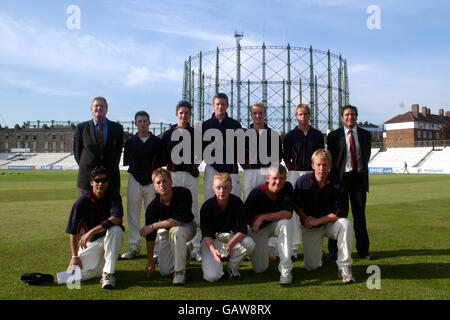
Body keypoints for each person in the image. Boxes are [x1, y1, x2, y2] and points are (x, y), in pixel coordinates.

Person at [293, 149, 354, 283]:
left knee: (345, 224)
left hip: (330, 224)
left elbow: (341, 212)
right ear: (312, 165)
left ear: (330, 165)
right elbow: (296, 205)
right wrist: (305, 218)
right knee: (311, 266)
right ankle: (319, 253)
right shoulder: (302, 182)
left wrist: (318, 220)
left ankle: (345, 267)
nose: (322, 168)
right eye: (319, 164)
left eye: (325, 165)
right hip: (310, 226)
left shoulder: (339, 184)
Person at [65, 166, 125, 289]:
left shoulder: (114, 196)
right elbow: (73, 231)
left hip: (111, 238)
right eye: (97, 181)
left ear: (108, 182)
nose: (100, 184)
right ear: (91, 182)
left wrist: (91, 232)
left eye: (104, 180)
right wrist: (74, 257)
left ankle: (108, 274)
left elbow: (117, 219)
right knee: (74, 277)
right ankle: (105, 265)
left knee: (115, 229)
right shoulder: (82, 202)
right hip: (93, 243)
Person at [326, 105, 373, 260]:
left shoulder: (365, 135)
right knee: (337, 216)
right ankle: (334, 250)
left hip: (358, 179)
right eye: (346, 115)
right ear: (342, 117)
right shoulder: (333, 136)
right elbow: (331, 159)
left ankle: (363, 251)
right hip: (340, 179)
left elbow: (365, 157)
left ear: (356, 116)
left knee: (360, 216)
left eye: (352, 114)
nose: (349, 117)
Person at [120, 111, 166, 260]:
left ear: (149, 123)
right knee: (133, 213)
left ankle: (157, 248)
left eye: (145, 121)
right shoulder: (130, 142)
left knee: (153, 214)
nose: (142, 124)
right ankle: (134, 246)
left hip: (153, 181)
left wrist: (156, 181)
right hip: (135, 179)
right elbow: (129, 163)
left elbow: (161, 164)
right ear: (135, 124)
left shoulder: (157, 142)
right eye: (139, 121)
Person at [139, 168, 196, 285]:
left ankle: (180, 272)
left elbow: (178, 221)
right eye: (158, 183)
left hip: (187, 227)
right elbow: (150, 237)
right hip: (166, 231)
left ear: (171, 182)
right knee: (165, 271)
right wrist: (150, 260)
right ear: (154, 186)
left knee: (177, 231)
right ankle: (186, 251)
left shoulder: (184, 193)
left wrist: (152, 226)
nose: (162, 185)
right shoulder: (152, 207)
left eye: (164, 181)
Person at [282, 104, 325, 258]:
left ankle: (316, 247)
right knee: (294, 211)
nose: (303, 117)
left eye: (306, 114)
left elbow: (321, 155)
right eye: (300, 114)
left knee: (314, 209)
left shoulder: (318, 135)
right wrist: (293, 169)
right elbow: (286, 158)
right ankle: (293, 249)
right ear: (296, 116)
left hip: (313, 173)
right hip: (295, 173)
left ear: (309, 115)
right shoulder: (289, 136)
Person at [161, 101, 201, 262]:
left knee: (193, 210)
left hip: (190, 176)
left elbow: (201, 154)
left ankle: (196, 247)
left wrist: (193, 168)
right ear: (176, 114)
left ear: (190, 115)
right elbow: (163, 155)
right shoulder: (168, 133)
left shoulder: (195, 133)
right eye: (181, 113)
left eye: (186, 113)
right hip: (173, 175)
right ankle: (172, 246)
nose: (184, 115)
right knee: (173, 210)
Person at [245, 164, 296, 284]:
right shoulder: (256, 193)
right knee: (260, 269)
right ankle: (263, 252)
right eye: (275, 178)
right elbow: (246, 218)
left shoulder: (287, 187)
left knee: (286, 223)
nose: (278, 182)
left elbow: (288, 213)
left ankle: (285, 270)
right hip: (259, 230)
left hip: (274, 225)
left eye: (282, 178)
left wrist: (262, 217)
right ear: (268, 178)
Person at [200, 173, 255, 282]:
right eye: (218, 188)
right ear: (213, 188)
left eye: (225, 188)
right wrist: (213, 250)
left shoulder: (237, 202)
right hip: (212, 241)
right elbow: (206, 235)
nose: (221, 191)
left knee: (249, 243)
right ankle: (216, 264)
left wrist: (229, 246)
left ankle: (232, 267)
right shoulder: (206, 206)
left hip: (231, 239)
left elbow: (243, 230)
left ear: (230, 188)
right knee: (212, 277)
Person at [73, 96, 124, 196]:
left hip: (111, 177)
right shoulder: (81, 128)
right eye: (96, 106)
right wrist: (88, 164)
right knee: (87, 210)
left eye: (102, 106)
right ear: (91, 109)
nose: (99, 108)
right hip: (87, 178)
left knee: (111, 210)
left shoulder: (117, 128)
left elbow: (118, 151)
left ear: (106, 109)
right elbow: (77, 152)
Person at [202, 93, 243, 200]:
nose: (220, 107)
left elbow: (240, 148)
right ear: (213, 105)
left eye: (223, 104)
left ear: (227, 106)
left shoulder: (235, 124)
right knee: (209, 201)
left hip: (231, 168)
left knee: (234, 201)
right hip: (212, 168)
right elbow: (200, 149)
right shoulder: (205, 125)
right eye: (218, 104)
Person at [242, 102, 283, 200]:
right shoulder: (244, 135)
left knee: (267, 202)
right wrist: (247, 168)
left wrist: (270, 172)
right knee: (249, 202)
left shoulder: (273, 135)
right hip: (249, 172)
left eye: (260, 113)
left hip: (267, 172)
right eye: (255, 113)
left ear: (265, 114)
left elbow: (277, 158)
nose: (258, 116)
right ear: (251, 115)